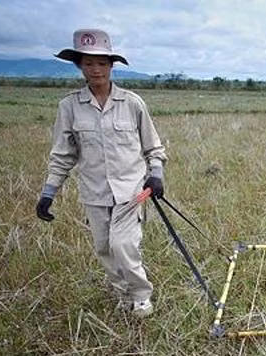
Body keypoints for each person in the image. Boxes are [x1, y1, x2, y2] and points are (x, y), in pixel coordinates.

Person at [35, 28, 167, 318]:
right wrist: (48, 193)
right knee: (104, 248)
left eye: (102, 63)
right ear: (79, 65)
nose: (96, 69)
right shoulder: (69, 106)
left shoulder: (132, 103)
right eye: (89, 63)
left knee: (124, 245)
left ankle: (142, 296)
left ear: (111, 65)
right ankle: (122, 294)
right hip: (94, 192)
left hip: (131, 190)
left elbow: (153, 146)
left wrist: (156, 174)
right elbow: (62, 154)